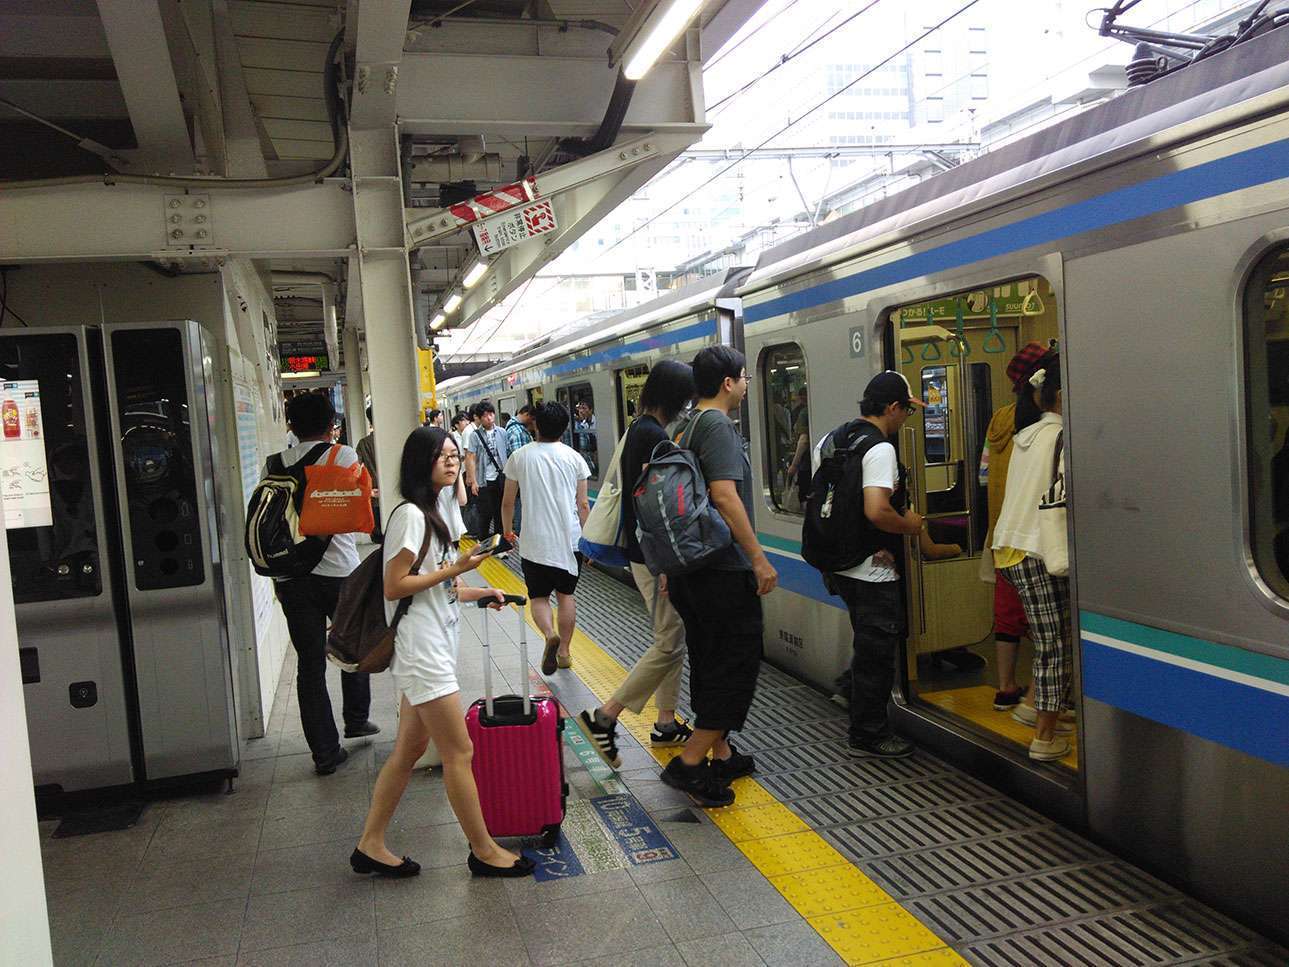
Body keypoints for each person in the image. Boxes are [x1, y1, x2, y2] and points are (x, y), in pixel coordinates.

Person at [352, 427, 534, 879]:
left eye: (455, 455)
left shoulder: (438, 510)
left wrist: (479, 590)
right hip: (422, 648)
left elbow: (441, 586)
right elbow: (396, 585)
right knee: (460, 751)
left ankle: (370, 844)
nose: (453, 462)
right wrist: (455, 568)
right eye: (442, 456)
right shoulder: (411, 516)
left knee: (409, 750)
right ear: (420, 462)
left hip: (436, 639)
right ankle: (483, 849)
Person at [660, 346, 776, 808]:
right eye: (744, 377)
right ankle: (689, 764)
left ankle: (720, 752)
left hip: (690, 569)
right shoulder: (719, 426)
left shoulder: (683, 425)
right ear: (728, 382)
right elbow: (725, 497)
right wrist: (758, 558)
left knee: (709, 661)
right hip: (721, 570)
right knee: (735, 666)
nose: (747, 384)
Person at [575, 361, 697, 768]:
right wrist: (665, 565)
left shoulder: (639, 428)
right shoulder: (652, 437)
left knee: (672, 636)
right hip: (652, 555)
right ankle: (605, 716)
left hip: (641, 552)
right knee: (668, 641)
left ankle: (665, 722)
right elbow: (653, 507)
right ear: (676, 397)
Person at [812, 371, 926, 759]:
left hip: (837, 561)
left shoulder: (833, 437)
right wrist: (910, 526)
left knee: (867, 635)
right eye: (907, 410)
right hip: (870, 567)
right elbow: (877, 511)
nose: (906, 418)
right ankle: (868, 733)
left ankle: (849, 688)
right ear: (892, 407)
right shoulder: (880, 449)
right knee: (878, 650)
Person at [270, 393, 377, 776]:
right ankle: (356, 717)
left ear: (290, 426)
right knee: (354, 645)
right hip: (338, 573)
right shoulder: (342, 456)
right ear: (332, 423)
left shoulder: (276, 461)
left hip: (292, 577)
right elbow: (356, 511)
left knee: (309, 665)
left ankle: (325, 753)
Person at [992, 352, 1072, 761]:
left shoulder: (1029, 433)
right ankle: (1044, 735)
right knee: (1054, 644)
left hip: (1009, 547)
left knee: (1051, 638)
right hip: (1038, 548)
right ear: (1063, 394)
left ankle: (1035, 707)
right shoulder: (1061, 435)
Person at [979, 342, 1048, 710]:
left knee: (1007, 615)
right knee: (1046, 623)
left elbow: (982, 475)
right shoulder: (1047, 424)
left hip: (1001, 532)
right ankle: (1043, 698)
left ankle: (1005, 687)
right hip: (1037, 535)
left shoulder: (998, 420)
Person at [501, 402, 590, 675]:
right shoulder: (575, 458)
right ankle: (563, 651)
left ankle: (549, 633)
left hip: (534, 541)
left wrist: (507, 531)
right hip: (569, 539)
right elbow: (583, 504)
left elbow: (508, 502)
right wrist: (589, 541)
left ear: (535, 425)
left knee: (538, 596)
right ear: (565, 427)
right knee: (566, 595)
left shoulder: (519, 457)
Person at [466, 401, 509, 538]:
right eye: (484, 416)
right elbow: (471, 458)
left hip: (500, 478)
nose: (489, 418)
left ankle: (499, 543)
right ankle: (483, 541)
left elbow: (508, 453)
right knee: (485, 513)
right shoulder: (475, 435)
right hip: (484, 479)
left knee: (499, 512)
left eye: (491, 414)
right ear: (479, 418)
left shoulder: (502, 432)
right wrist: (473, 481)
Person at [504, 405, 536, 534]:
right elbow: (519, 460)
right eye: (532, 418)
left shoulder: (514, 427)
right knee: (520, 505)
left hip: (518, 477)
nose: (533, 422)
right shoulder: (517, 431)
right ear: (527, 414)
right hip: (521, 477)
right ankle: (519, 532)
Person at [355, 404, 382, 543]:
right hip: (395, 497)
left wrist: (367, 491)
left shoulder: (364, 443)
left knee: (378, 538)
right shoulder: (391, 441)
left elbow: (354, 471)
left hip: (375, 497)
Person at [573, 400, 599, 476]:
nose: (581, 411)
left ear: (591, 410)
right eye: (580, 408)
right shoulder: (581, 424)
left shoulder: (598, 421)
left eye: (584, 408)